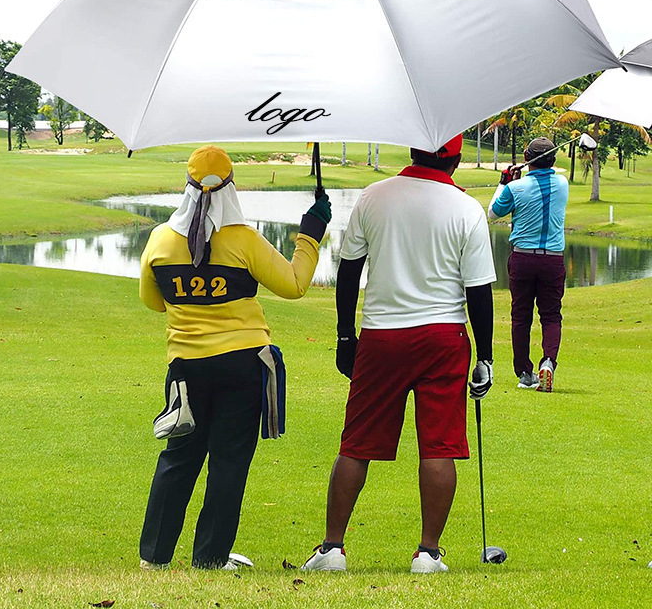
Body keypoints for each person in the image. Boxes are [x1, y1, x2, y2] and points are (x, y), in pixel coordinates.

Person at [301, 135, 496, 574]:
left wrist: (344, 337)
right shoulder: (466, 208)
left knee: (356, 443)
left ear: (412, 151)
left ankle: (333, 547)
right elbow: (478, 291)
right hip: (443, 339)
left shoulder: (374, 196)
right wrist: (485, 356)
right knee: (439, 444)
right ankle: (427, 553)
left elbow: (348, 271)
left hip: (381, 338)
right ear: (457, 158)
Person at [138, 145, 331, 570]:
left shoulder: (160, 240)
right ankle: (209, 557)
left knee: (179, 456)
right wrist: (310, 234)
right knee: (228, 460)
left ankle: (154, 557)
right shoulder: (243, 239)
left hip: (185, 368)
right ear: (230, 187)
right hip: (242, 365)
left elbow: (153, 301)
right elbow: (296, 284)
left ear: (187, 186)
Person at [488, 137, 569, 393]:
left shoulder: (516, 188)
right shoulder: (562, 184)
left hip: (523, 258)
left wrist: (504, 183)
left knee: (520, 316)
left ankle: (525, 373)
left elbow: (492, 213)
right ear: (553, 160)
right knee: (551, 315)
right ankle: (548, 362)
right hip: (553, 260)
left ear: (526, 158)